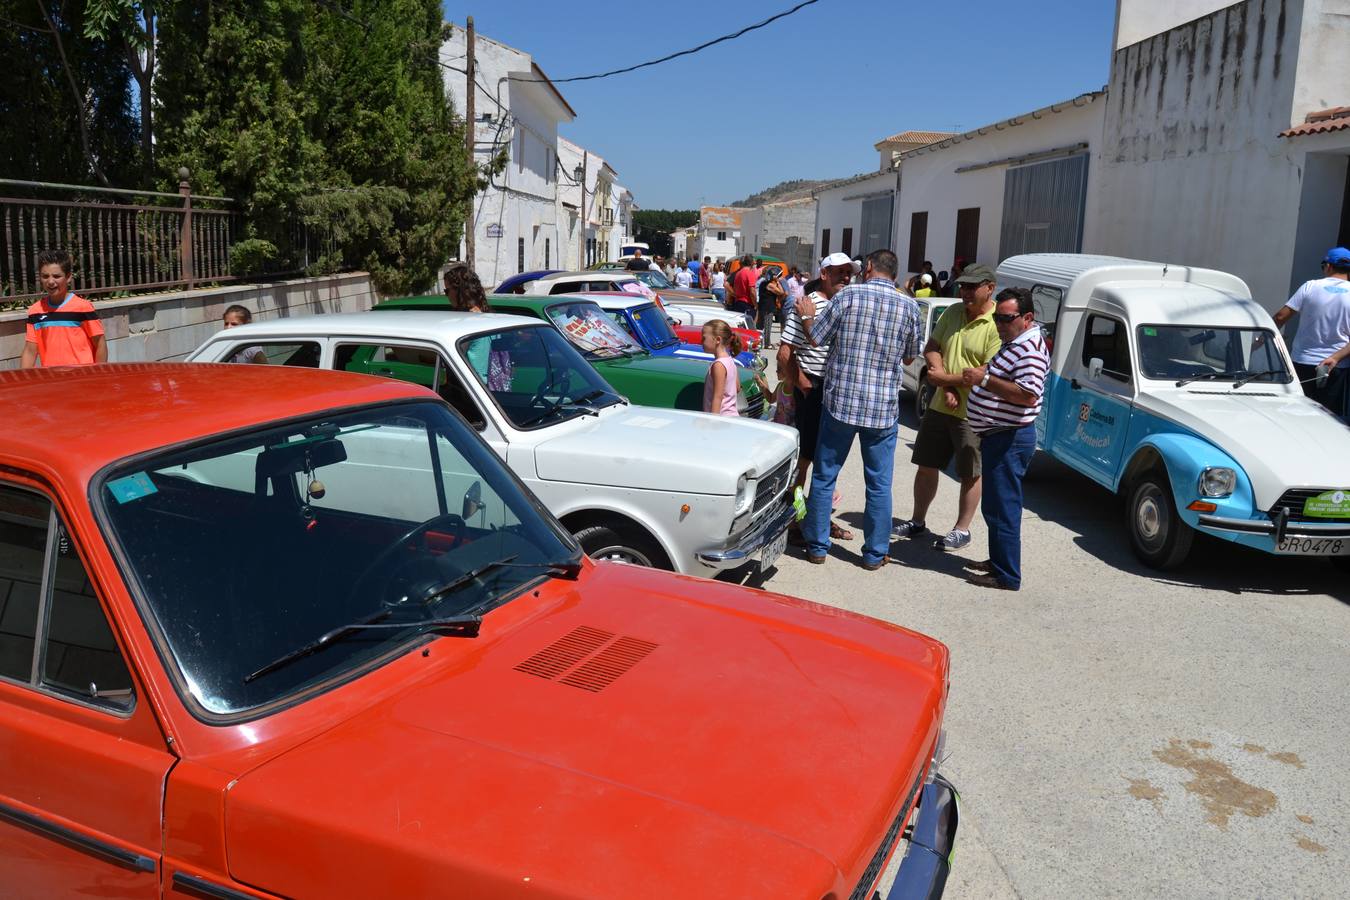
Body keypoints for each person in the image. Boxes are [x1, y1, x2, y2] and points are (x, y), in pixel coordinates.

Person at [792, 249, 922, 570]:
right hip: (882, 409)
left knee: (824, 477)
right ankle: (875, 554)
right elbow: (909, 358)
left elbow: (817, 338)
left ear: (869, 268)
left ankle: (818, 547)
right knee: (879, 484)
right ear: (894, 272)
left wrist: (807, 315)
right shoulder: (909, 306)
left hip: (841, 404)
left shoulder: (847, 297)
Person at [893, 263, 1002, 551]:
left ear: (989, 288)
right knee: (926, 465)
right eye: (963, 286)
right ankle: (918, 521)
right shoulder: (953, 312)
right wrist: (946, 385)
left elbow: (989, 371)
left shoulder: (996, 323)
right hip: (941, 405)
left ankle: (961, 530)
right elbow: (932, 347)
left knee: (970, 473)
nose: (964, 291)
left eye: (971, 286)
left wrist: (944, 379)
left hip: (974, 413)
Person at [959, 287, 1051, 590]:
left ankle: (1007, 575)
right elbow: (1003, 372)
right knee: (995, 507)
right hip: (999, 435)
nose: (999, 324)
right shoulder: (1014, 341)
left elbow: (1027, 394)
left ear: (1026, 318)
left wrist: (983, 380)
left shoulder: (1029, 350)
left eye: (1006, 318)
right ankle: (999, 561)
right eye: (997, 317)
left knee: (1004, 508)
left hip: (1010, 438)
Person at [779, 258, 858, 544]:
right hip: (815, 387)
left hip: (835, 390)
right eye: (840, 273)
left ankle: (817, 519)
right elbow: (785, 353)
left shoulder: (844, 304)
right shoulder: (807, 304)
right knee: (805, 462)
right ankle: (797, 521)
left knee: (828, 462)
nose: (846, 278)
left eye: (849, 274)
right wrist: (804, 385)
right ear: (824, 274)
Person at [1273, 246, 1350, 419]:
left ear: (1328, 266)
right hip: (1336, 367)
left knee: (1297, 414)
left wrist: (1261, 340)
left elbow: (1280, 317)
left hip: (1302, 362)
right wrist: (1336, 358)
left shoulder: (1310, 287)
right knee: (1329, 418)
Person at [20, 249, 106, 369]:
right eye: (45, 276)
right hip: (52, 381)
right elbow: (30, 351)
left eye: (56, 276)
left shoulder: (83, 307)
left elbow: (100, 344)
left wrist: (98, 375)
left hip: (82, 380)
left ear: (69, 277)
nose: (50, 281)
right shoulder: (35, 311)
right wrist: (24, 380)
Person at [700, 320, 742, 417]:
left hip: (721, 420)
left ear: (717, 340)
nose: (701, 341)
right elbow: (737, 388)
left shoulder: (718, 365)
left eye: (704, 338)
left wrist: (713, 421)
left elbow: (717, 397)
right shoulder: (729, 360)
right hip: (732, 416)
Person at [756, 265, 785, 348]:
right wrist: (778, 282)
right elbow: (781, 292)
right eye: (778, 276)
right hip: (768, 308)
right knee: (767, 326)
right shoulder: (770, 285)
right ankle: (767, 344)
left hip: (762, 306)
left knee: (760, 326)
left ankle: (759, 342)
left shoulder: (763, 283)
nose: (779, 277)